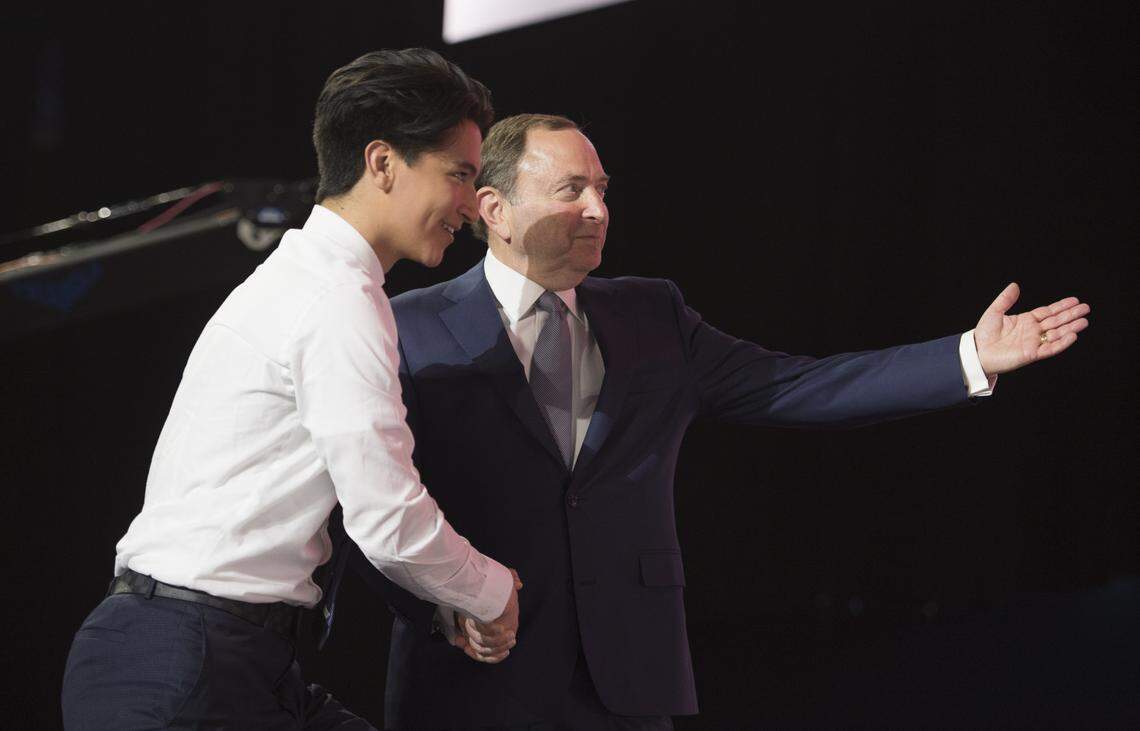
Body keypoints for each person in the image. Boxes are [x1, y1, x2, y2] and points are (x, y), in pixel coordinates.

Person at [331, 114, 1091, 730]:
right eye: (571, 190)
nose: (598, 210)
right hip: (471, 686)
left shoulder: (652, 314)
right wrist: (437, 606)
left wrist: (968, 356)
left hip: (624, 684)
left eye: (602, 189)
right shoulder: (406, 326)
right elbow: (367, 498)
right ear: (494, 208)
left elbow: (798, 385)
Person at [60, 49, 523, 730]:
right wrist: (492, 589)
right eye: (458, 175)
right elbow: (387, 518)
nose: (469, 206)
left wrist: (445, 594)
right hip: (187, 662)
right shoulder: (337, 299)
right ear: (382, 163)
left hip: (212, 654)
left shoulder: (304, 280)